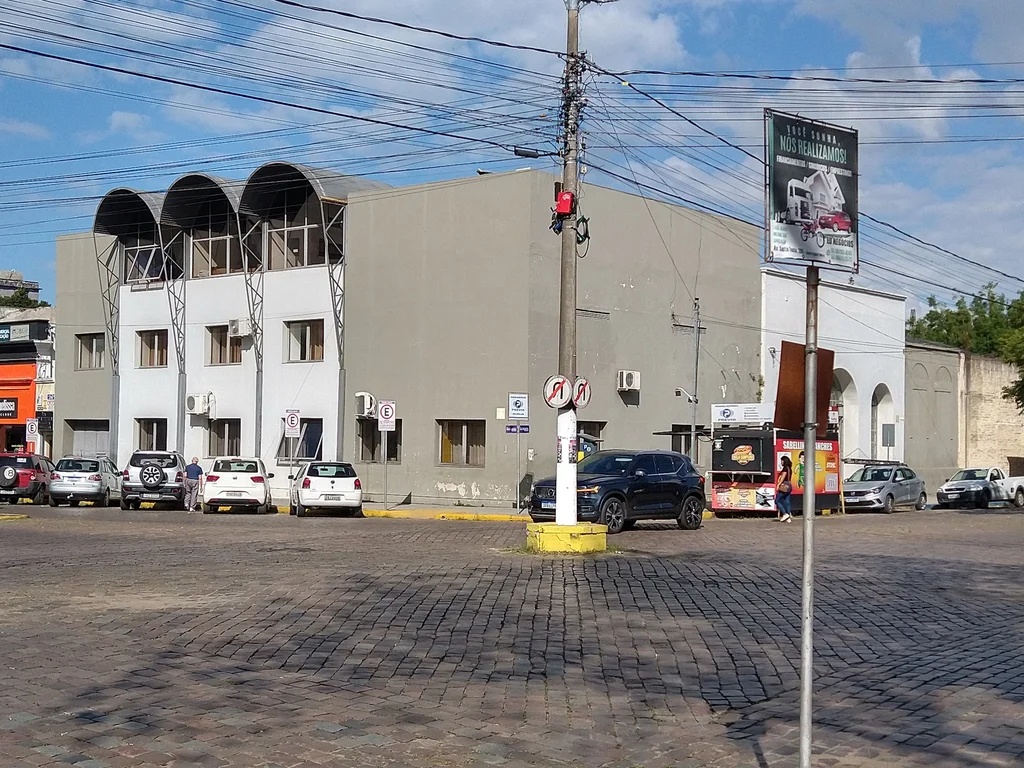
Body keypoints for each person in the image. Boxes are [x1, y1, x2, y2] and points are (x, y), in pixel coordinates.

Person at [777, 454, 793, 524]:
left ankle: (784, 513)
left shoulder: (785, 468)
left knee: (777, 500)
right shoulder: (789, 468)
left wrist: (778, 484)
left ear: (784, 461)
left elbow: (783, 476)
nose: (781, 462)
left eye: (782, 461)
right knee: (787, 501)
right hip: (789, 485)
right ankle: (788, 517)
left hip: (784, 485)